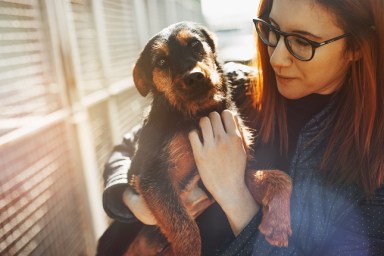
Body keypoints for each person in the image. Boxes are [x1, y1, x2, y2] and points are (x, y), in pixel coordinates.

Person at [97, 0, 384, 255]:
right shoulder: (232, 85)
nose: (276, 58)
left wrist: (234, 195)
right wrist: (131, 200)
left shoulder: (375, 162)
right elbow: (128, 148)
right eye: (271, 30)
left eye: (302, 41)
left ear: (356, 47)